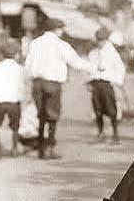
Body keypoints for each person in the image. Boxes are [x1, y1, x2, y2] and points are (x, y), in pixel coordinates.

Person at [25, 17, 95, 159]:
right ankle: (49, 148)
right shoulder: (61, 44)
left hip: (37, 83)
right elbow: (75, 62)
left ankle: (40, 146)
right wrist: (93, 68)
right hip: (53, 84)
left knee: (41, 115)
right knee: (53, 115)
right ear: (56, 29)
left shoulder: (35, 43)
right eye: (61, 29)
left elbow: (28, 64)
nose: (62, 31)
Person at [0, 39, 26, 161]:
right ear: (16, 54)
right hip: (14, 103)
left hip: (0, 102)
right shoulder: (20, 69)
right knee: (15, 126)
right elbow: (24, 84)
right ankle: (14, 148)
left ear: (2, 54)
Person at [88, 27, 126, 144]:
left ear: (106, 40)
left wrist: (117, 81)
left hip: (107, 83)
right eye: (98, 40)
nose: (100, 42)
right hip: (96, 84)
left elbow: (120, 68)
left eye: (102, 40)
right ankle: (101, 133)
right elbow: (89, 68)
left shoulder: (112, 53)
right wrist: (90, 79)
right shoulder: (93, 53)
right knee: (97, 109)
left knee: (111, 109)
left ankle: (115, 134)